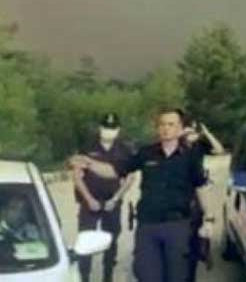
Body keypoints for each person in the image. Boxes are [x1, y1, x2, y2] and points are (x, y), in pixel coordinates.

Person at [69, 108, 214, 282]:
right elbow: (114, 171)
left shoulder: (190, 156)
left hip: (178, 225)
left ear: (180, 128)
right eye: (161, 124)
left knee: (177, 276)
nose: (165, 128)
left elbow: (201, 187)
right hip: (148, 226)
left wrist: (209, 219)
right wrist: (88, 163)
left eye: (171, 124)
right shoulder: (146, 153)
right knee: (146, 275)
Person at [73, 112, 134, 282]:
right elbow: (77, 176)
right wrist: (89, 199)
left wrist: (115, 199)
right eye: (106, 127)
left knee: (111, 241)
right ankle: (84, 277)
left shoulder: (125, 149)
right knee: (85, 242)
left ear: (118, 130)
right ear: (100, 128)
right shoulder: (87, 147)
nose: (109, 131)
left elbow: (130, 177)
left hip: (112, 202)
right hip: (89, 202)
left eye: (112, 128)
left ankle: (108, 277)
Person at [181, 116, 225, 282]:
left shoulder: (199, 146)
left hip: (198, 191)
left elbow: (219, 150)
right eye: (188, 130)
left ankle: (198, 254)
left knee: (197, 233)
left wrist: (207, 133)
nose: (192, 134)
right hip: (181, 192)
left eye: (194, 131)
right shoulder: (177, 147)